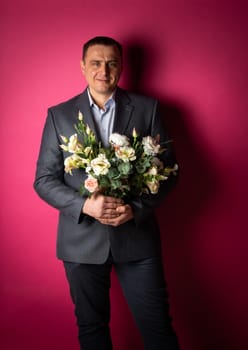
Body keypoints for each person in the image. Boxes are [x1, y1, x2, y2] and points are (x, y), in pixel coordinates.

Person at [34, 36, 180, 350]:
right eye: (96, 63)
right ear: (83, 67)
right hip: (80, 244)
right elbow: (44, 180)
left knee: (158, 330)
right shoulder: (59, 115)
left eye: (112, 62)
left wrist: (137, 208)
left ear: (121, 67)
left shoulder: (147, 108)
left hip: (137, 241)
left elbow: (168, 172)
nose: (104, 70)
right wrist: (86, 206)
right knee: (92, 330)